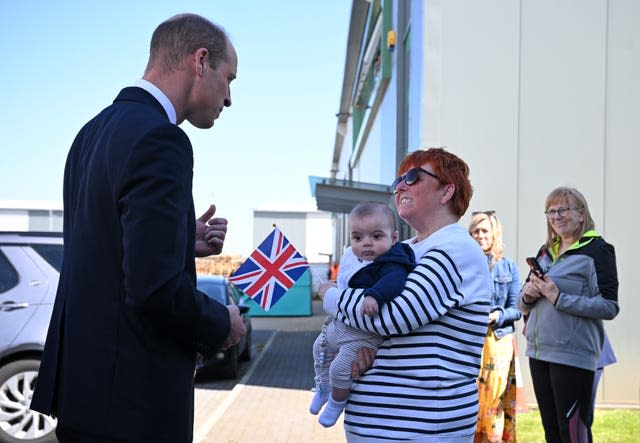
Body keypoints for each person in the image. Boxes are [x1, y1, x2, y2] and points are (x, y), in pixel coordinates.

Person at [30, 14, 246, 443]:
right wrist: (223, 324)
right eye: (230, 79)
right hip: (132, 409)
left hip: (82, 396)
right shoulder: (160, 139)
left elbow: (106, 252)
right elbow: (154, 290)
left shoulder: (91, 133)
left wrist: (182, 239)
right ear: (200, 61)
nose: (229, 99)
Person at [321, 147, 492, 442]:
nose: (400, 186)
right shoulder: (408, 251)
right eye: (398, 180)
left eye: (413, 177)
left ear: (446, 191)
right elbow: (370, 325)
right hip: (388, 426)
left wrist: (330, 295)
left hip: (423, 427)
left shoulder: (454, 248)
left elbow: (394, 317)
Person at [517, 186, 619, 443]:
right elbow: (521, 303)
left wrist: (559, 298)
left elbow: (609, 306)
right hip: (539, 354)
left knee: (573, 435)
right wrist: (528, 295)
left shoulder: (598, 250)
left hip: (573, 356)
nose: (556, 216)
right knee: (552, 433)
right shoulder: (545, 251)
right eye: (551, 211)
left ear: (582, 214)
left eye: (563, 209)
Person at [310, 201, 415, 427]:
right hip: (340, 324)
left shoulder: (393, 261)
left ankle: (337, 403)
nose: (367, 243)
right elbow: (344, 286)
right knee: (319, 348)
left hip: (362, 335)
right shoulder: (354, 259)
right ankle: (323, 387)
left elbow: (394, 281)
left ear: (394, 238)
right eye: (358, 238)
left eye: (376, 236)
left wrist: (375, 295)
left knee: (340, 368)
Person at [469, 211, 522, 443]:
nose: (479, 235)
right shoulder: (463, 265)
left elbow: (518, 308)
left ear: (494, 234)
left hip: (498, 342)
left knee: (494, 403)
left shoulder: (508, 267)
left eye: (484, 231)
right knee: (469, 400)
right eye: (475, 231)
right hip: (469, 340)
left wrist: (496, 315)